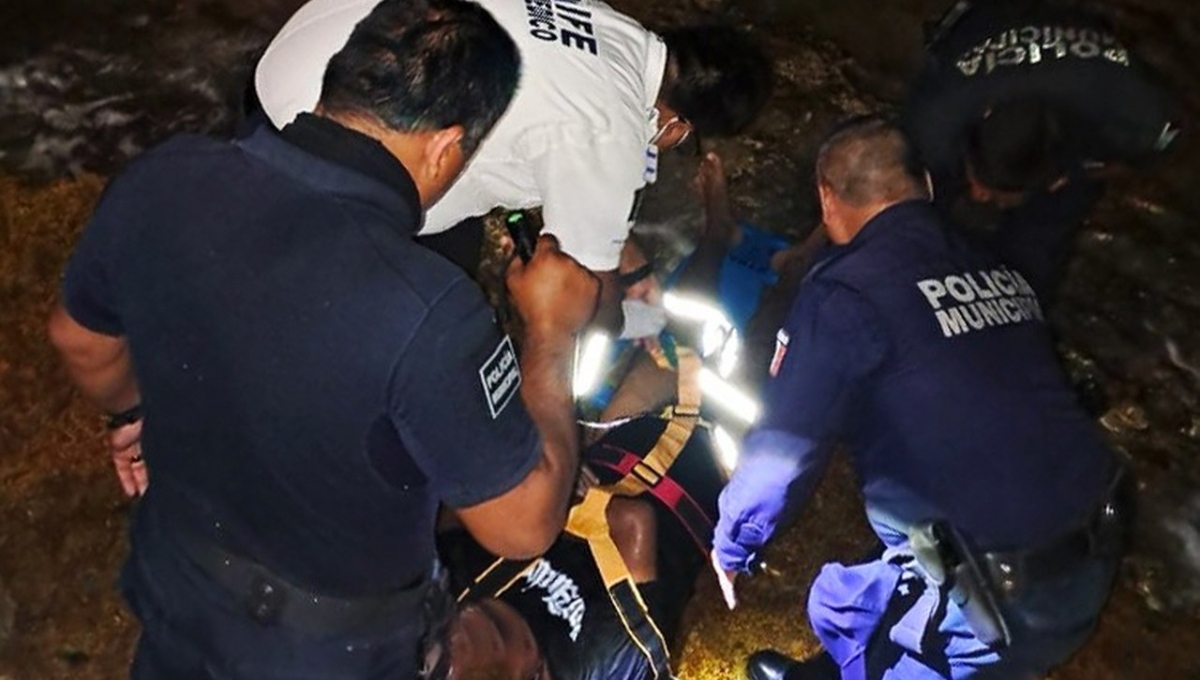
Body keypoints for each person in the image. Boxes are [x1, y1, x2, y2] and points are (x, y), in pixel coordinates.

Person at [46, 1, 600, 677]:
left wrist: (132, 410)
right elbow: (523, 524)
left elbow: (79, 341)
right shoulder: (429, 308)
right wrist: (553, 331)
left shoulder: (164, 176)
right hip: (323, 650)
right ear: (446, 146)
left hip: (179, 582)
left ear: (337, 82)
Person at [710, 117, 1131, 680]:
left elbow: (784, 449)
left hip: (994, 606)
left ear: (827, 202)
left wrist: (734, 543)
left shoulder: (846, 293)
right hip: (1095, 552)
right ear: (927, 186)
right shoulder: (995, 261)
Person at [254, 0, 773, 330]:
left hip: (315, 44)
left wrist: (621, 252)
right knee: (440, 284)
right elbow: (583, 294)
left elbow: (575, 141)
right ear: (678, 126)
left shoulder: (607, 26)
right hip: (316, 121)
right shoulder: (609, 132)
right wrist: (631, 321)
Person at [904, 0, 1179, 304]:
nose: (980, 197)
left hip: (1081, 69)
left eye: (995, 193)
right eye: (977, 179)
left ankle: (1022, 306)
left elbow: (1169, 139)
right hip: (992, 24)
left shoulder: (1137, 108)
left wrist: (1084, 171)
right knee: (916, 207)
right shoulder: (936, 116)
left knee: (1042, 241)